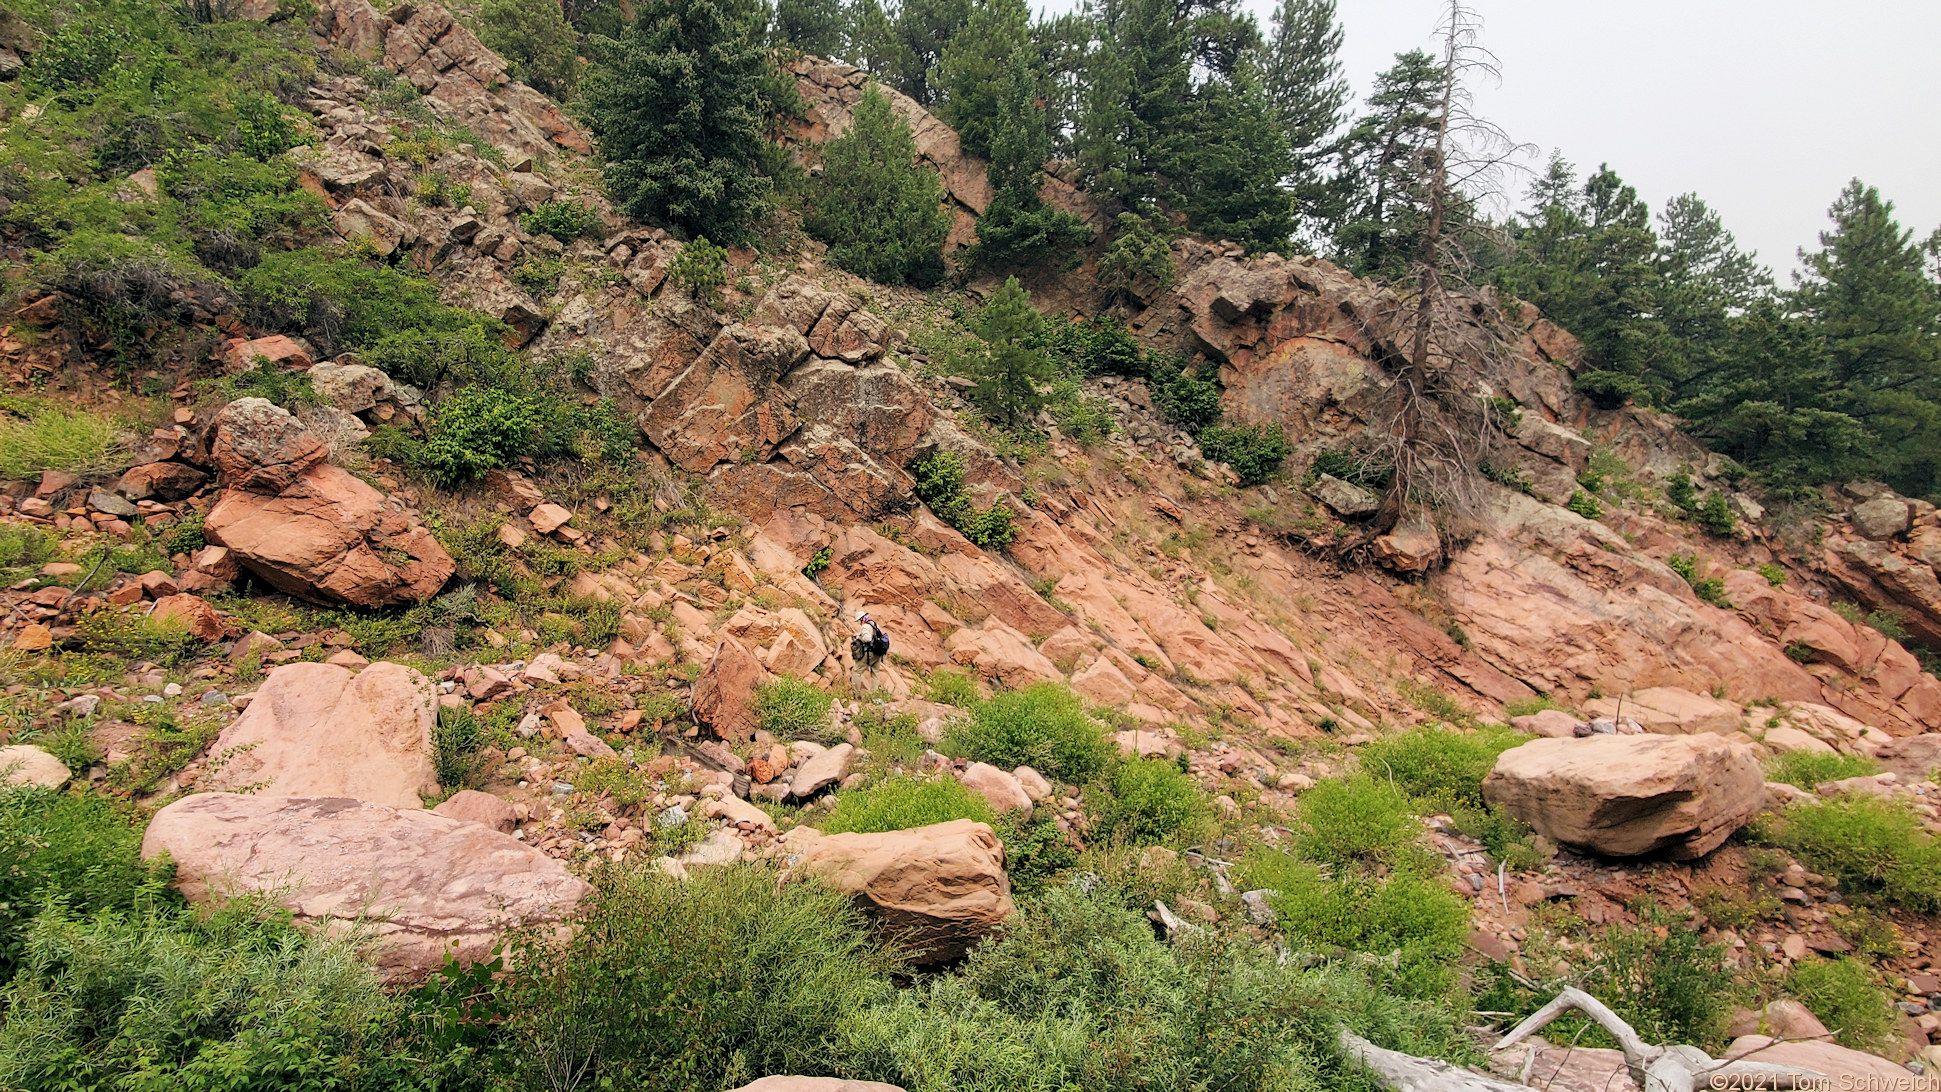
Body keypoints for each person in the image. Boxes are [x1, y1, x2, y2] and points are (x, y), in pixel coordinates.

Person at [851, 609, 889, 688]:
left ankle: (856, 695)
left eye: (858, 621)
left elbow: (867, 639)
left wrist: (859, 638)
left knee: (856, 672)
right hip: (877, 653)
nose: (859, 623)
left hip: (869, 653)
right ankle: (874, 695)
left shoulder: (865, 626)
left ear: (861, 619)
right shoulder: (874, 624)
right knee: (875, 673)